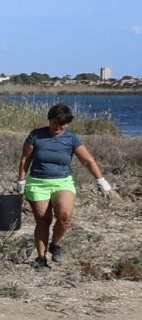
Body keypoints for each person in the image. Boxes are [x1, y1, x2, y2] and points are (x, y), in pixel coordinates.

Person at [18, 103, 116, 270]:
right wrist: (21, 181)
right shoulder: (36, 135)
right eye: (56, 123)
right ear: (49, 120)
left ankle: (55, 245)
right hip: (38, 182)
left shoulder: (72, 138)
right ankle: (41, 259)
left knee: (64, 216)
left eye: (63, 124)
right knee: (43, 221)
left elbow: (88, 160)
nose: (59, 127)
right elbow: (25, 159)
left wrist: (101, 180)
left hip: (63, 181)